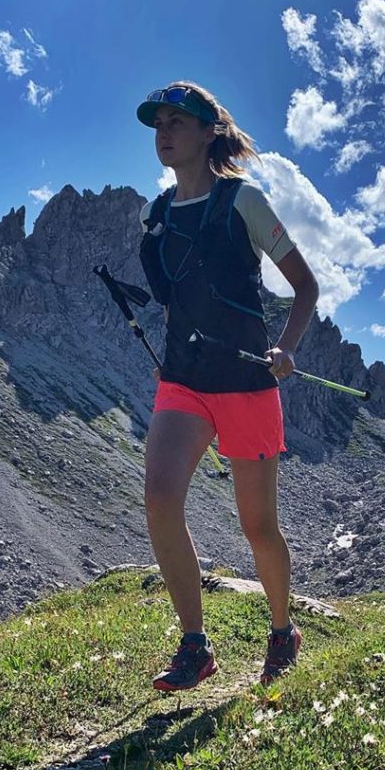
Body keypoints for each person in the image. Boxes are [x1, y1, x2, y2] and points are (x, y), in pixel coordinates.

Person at [135, 81, 319, 690]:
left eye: (178, 121)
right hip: (184, 381)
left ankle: (281, 628)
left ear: (210, 130)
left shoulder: (245, 203)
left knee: (257, 526)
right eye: (158, 121)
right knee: (161, 499)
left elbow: (305, 287)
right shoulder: (153, 217)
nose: (164, 131)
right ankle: (195, 644)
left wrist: (286, 349)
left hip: (247, 380)